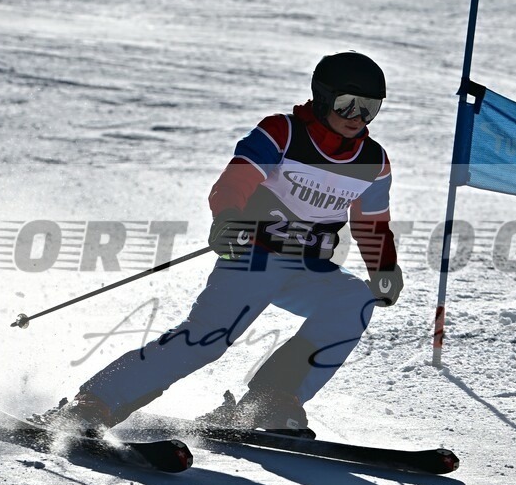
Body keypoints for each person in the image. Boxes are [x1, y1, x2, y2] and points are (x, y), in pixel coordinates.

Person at [40, 51, 402, 436]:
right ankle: (96, 402)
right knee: (207, 339)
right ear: (324, 96)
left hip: (308, 267)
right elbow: (235, 181)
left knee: (352, 301)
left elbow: (372, 224)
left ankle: (272, 401)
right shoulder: (283, 132)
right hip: (254, 256)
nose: (356, 118)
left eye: (369, 108)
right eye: (348, 104)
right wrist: (228, 215)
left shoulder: (374, 161)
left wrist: (383, 267)